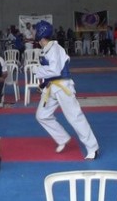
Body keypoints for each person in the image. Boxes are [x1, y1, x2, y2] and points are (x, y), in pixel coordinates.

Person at [34, 20, 99, 160]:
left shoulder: (55, 49)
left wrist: (37, 70)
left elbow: (55, 70)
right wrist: (43, 84)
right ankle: (62, 138)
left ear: (40, 34)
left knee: (74, 117)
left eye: (36, 31)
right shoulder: (47, 49)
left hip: (63, 87)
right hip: (52, 88)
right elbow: (51, 73)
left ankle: (93, 148)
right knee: (42, 115)